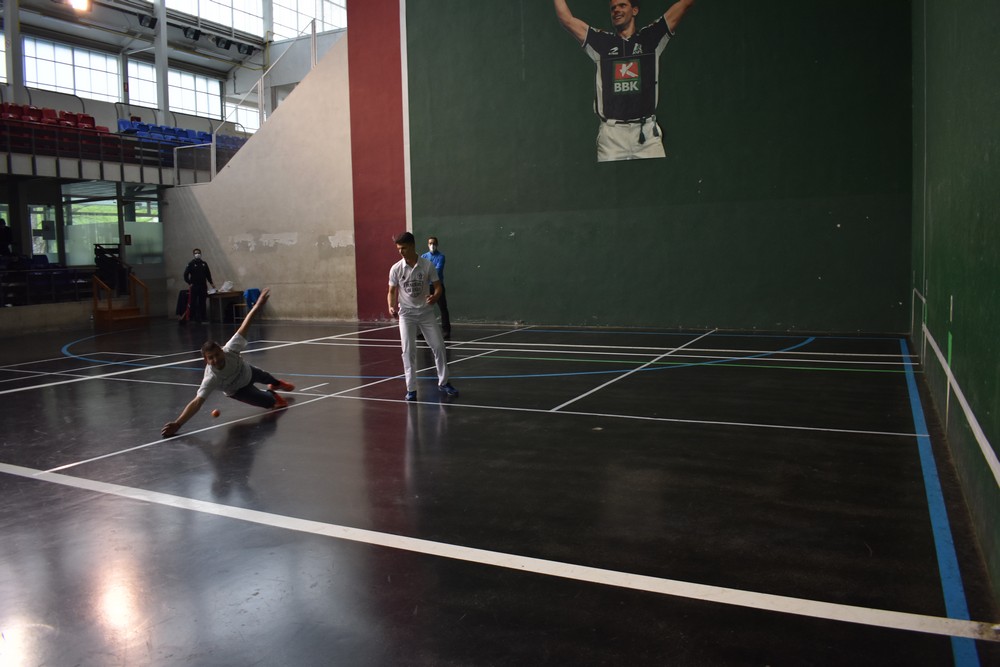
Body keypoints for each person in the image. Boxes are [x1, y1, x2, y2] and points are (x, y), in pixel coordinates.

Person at [553, 0, 696, 161]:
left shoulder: (650, 39)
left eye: (622, 5)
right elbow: (567, 19)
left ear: (634, 10)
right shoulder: (602, 43)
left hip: (647, 135)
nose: (616, 10)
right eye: (613, 8)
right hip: (612, 138)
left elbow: (684, 4)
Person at [161, 287, 296, 437]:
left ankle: (277, 383)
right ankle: (271, 393)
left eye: (217, 354)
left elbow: (245, 325)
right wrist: (178, 424)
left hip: (246, 372)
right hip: (238, 391)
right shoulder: (211, 378)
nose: (216, 359)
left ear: (221, 350)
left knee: (266, 377)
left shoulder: (230, 349)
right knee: (274, 404)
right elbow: (197, 402)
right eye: (211, 357)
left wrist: (257, 306)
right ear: (206, 360)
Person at [388, 232, 459, 402]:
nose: (400, 251)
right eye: (398, 248)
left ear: (412, 246)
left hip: (426, 313)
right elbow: (391, 291)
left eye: (403, 248)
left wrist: (435, 296)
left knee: (439, 347)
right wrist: (391, 306)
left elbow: (438, 286)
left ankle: (444, 382)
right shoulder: (396, 268)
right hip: (406, 315)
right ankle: (411, 389)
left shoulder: (427, 265)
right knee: (408, 351)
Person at [420, 236, 451, 339]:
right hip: (426, 287)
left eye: (433, 243)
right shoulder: (423, 256)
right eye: (430, 243)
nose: (432, 245)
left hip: (438, 286)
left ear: (437, 244)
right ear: (427, 244)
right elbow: (420, 270)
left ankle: (446, 330)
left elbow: (438, 270)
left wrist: (427, 273)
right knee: (423, 309)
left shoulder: (441, 256)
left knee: (443, 308)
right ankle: (424, 332)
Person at [183, 247, 216, 323]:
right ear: (194, 255)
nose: (197, 254)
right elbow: (185, 275)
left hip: (203, 286)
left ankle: (203, 318)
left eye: (198, 253)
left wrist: (211, 283)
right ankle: (192, 318)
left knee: (202, 302)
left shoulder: (204, 264)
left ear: (201, 254)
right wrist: (189, 283)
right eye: (195, 253)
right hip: (194, 286)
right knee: (193, 302)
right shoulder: (191, 264)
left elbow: (208, 275)